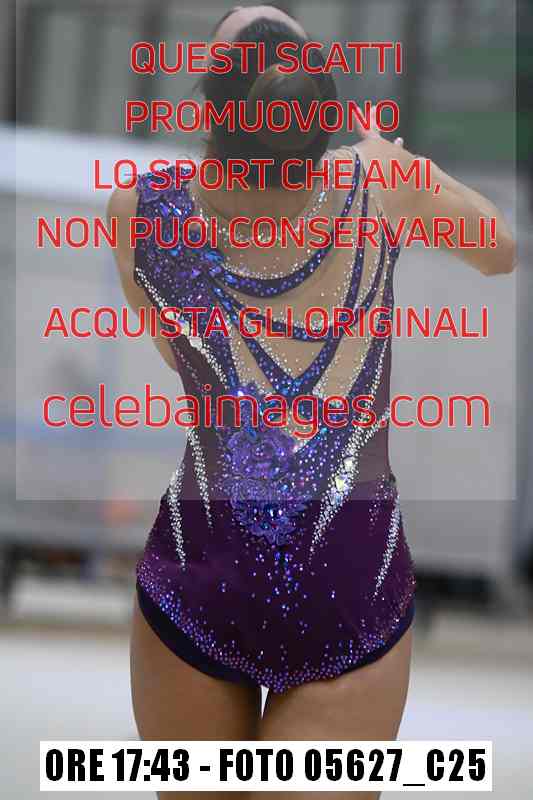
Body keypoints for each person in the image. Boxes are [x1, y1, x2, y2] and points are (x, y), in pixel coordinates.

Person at [108, 6, 516, 799]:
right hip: (348, 578)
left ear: (209, 103)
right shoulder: (381, 183)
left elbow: (181, 356)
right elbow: (497, 249)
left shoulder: (141, 209)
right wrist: (404, 169)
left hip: (204, 566)